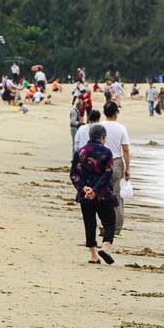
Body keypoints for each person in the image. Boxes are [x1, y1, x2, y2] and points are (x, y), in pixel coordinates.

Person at [70, 124, 117, 265]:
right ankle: (105, 247)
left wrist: (84, 188)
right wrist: (95, 190)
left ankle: (93, 255)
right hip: (103, 194)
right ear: (103, 137)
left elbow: (73, 174)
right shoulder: (106, 153)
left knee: (89, 223)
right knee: (109, 222)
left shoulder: (79, 152)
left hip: (85, 195)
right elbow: (108, 173)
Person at [100, 101, 132, 238]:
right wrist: (127, 168)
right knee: (116, 195)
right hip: (116, 161)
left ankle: (103, 225)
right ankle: (117, 228)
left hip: (101, 162)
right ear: (115, 113)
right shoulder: (121, 128)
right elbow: (125, 149)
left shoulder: (99, 126)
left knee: (101, 194)